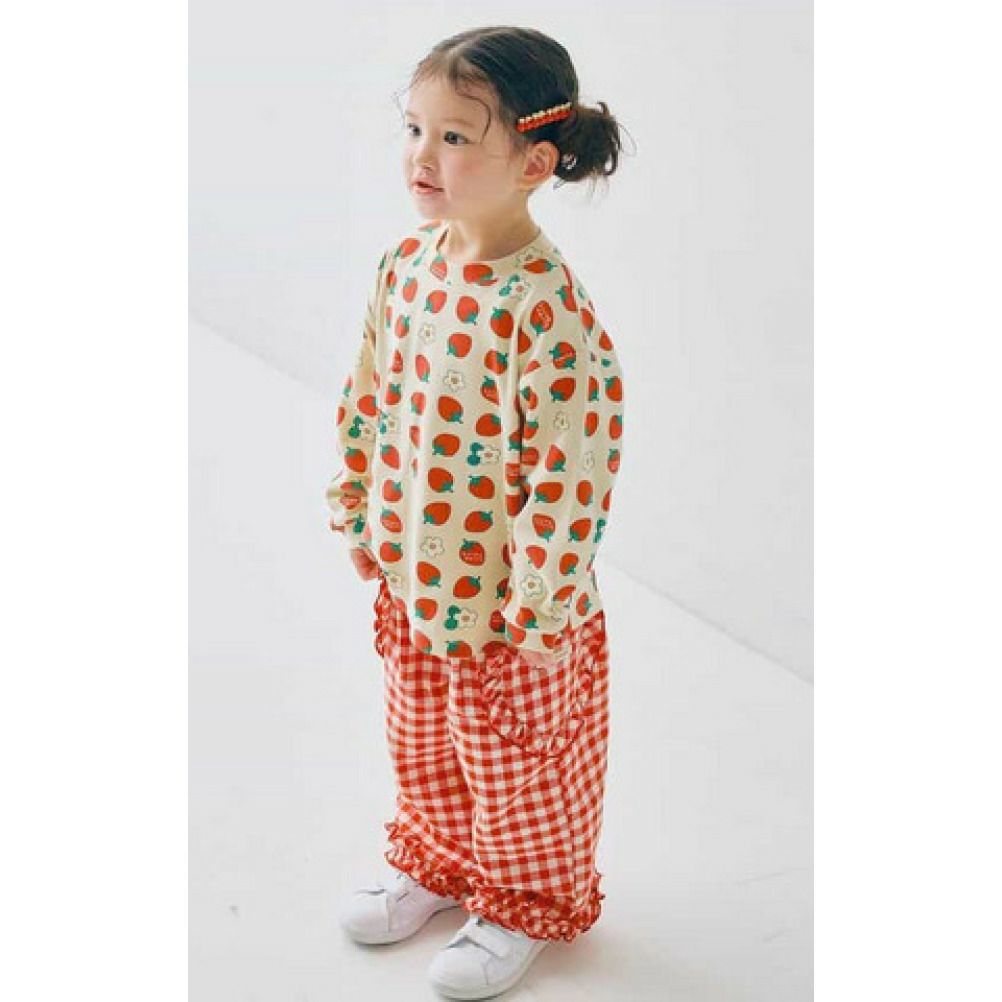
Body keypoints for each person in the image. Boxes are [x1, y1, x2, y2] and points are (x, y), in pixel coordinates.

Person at [325, 26, 628, 1000]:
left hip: (510, 612)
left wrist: (541, 605)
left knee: (514, 765)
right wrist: (362, 507)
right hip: (423, 578)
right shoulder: (406, 267)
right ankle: (439, 860)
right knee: (422, 738)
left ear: (534, 162)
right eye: (415, 128)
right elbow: (372, 394)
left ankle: (521, 901)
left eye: (456, 137)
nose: (423, 155)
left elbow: (572, 473)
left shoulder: (547, 313)